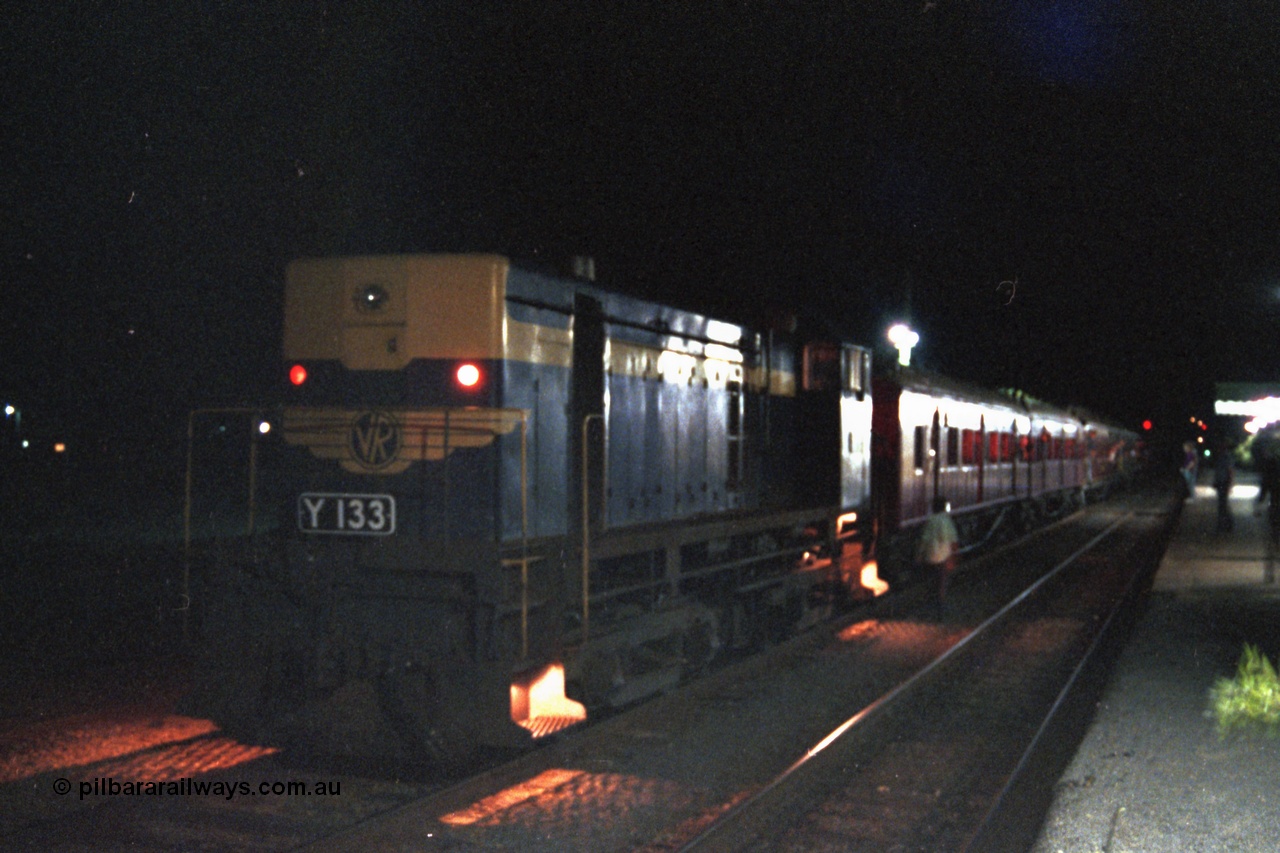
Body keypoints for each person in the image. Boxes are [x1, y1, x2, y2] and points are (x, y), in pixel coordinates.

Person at [916, 496, 959, 618]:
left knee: (932, 583)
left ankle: (932, 609)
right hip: (944, 558)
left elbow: (924, 540)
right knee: (942, 584)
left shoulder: (930, 520)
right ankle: (940, 610)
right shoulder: (947, 521)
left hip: (930, 557)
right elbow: (953, 541)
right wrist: (954, 557)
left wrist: (919, 556)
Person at [1212, 440, 1235, 533]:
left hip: (1223, 482)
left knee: (1222, 504)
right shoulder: (1222, 457)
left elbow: (1230, 470)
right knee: (1222, 504)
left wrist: (1230, 484)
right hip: (1221, 481)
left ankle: (1224, 525)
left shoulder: (1226, 457)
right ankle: (1226, 524)